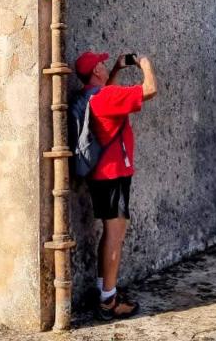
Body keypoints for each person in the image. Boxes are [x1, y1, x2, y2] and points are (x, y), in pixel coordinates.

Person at [73, 50, 158, 321]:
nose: (104, 63)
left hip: (100, 176)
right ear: (96, 71)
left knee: (108, 233)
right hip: (114, 175)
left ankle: (104, 289)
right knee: (115, 236)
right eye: (101, 63)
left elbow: (106, 92)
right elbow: (150, 90)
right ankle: (109, 301)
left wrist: (117, 70)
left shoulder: (90, 96)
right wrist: (144, 63)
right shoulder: (108, 98)